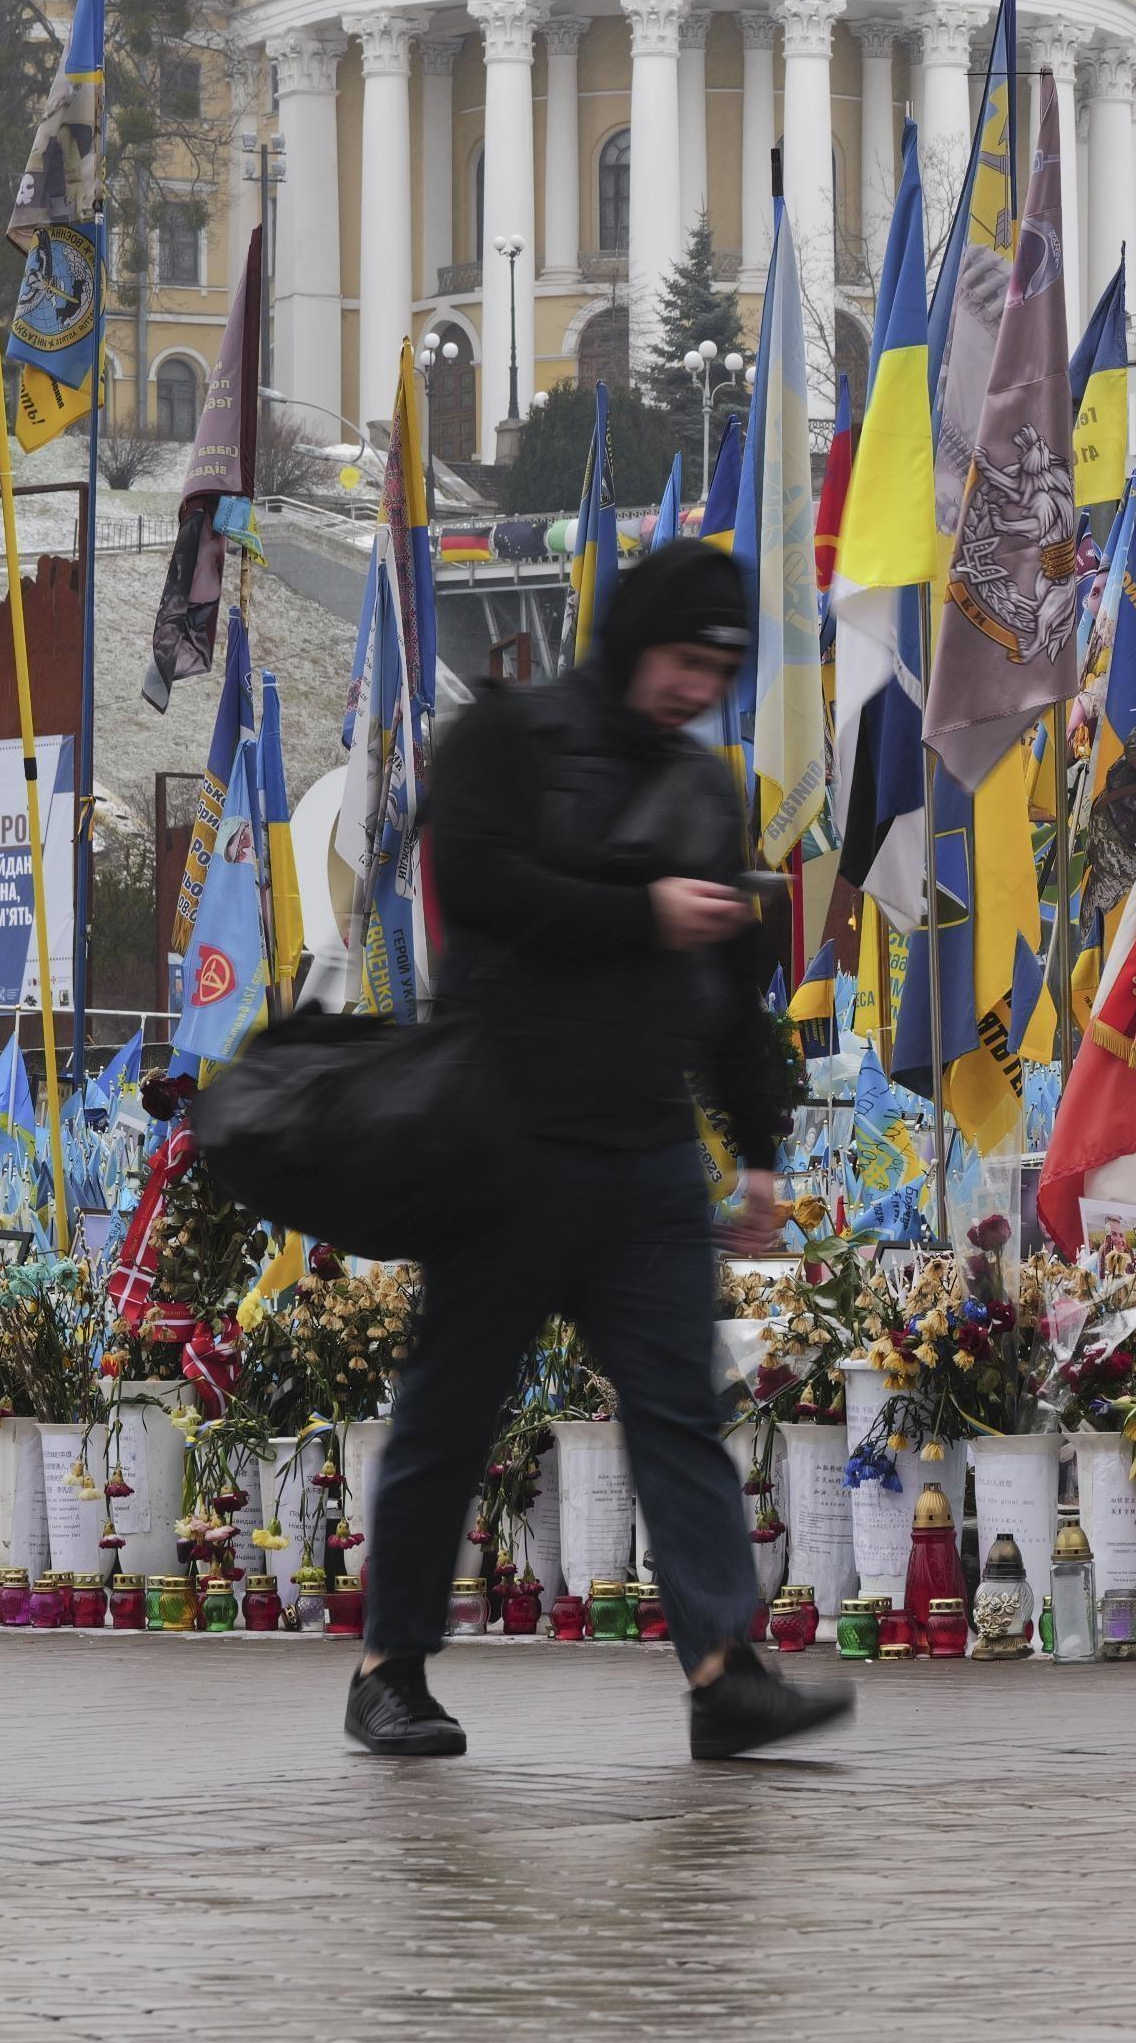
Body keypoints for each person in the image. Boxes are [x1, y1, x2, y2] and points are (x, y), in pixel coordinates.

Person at [345, 539, 851, 1764]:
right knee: (450, 1416)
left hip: (643, 1159)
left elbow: (732, 991)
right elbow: (473, 877)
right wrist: (641, 911)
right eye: (684, 658)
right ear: (634, 641)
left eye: (720, 670)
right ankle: (389, 1667)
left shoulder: (701, 786)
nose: (696, 687)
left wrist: (762, 1148)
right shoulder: (509, 736)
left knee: (679, 1412)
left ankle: (726, 1672)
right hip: (504, 1144)